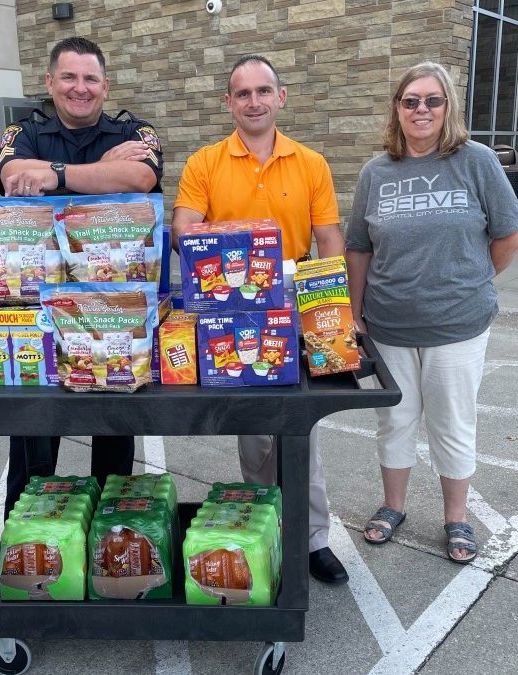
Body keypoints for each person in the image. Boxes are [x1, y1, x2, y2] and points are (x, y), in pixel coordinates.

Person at [172, 55, 349, 584]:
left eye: (263, 91)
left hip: (294, 307)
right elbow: (185, 231)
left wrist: (337, 313)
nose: (254, 101)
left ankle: (314, 537)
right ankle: (264, 525)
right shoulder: (205, 162)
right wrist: (249, 253)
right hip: (230, 308)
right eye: (242, 93)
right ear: (229, 102)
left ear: (281, 97)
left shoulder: (311, 163)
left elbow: (330, 241)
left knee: (300, 427)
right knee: (252, 428)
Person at [345, 61, 518, 563]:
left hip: (457, 325)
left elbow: (511, 232)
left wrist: (474, 280)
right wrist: (355, 313)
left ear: (448, 107)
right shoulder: (377, 171)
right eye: (410, 101)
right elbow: (358, 247)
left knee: (452, 422)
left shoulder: (475, 161)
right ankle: (393, 506)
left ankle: (456, 519)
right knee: (395, 421)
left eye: (432, 100)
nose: (421, 110)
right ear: (397, 110)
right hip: (389, 325)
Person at [0, 36, 163, 518]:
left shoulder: (137, 132)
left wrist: (54, 176)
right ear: (49, 82)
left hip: (115, 307)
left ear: (106, 86)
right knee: (34, 434)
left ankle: (110, 539)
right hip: (36, 306)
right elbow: (13, 176)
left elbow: (140, 179)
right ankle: (22, 538)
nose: (80, 88)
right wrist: (99, 173)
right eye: (68, 77)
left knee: (113, 433)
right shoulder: (21, 134)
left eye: (90, 78)